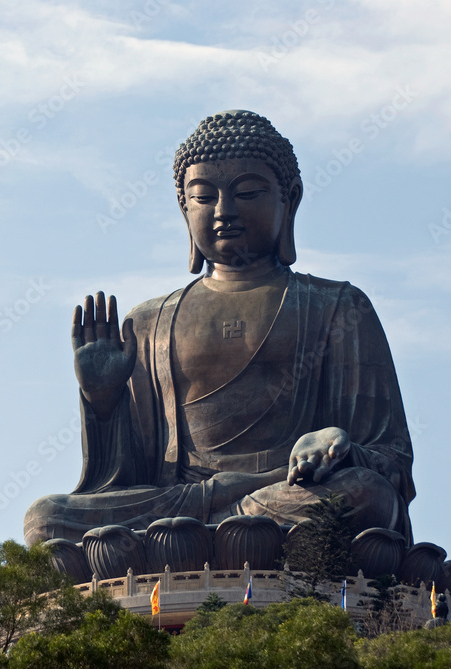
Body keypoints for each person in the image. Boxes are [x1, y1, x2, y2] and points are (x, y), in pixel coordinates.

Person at [24, 110, 414, 547]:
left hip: (286, 494)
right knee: (46, 520)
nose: (224, 212)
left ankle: (216, 532)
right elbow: (122, 482)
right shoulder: (149, 321)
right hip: (178, 507)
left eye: (247, 192)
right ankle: (218, 531)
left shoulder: (339, 307)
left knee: (365, 495)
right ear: (183, 207)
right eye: (204, 197)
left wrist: (339, 446)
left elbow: (390, 463)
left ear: (291, 200)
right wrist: (103, 402)